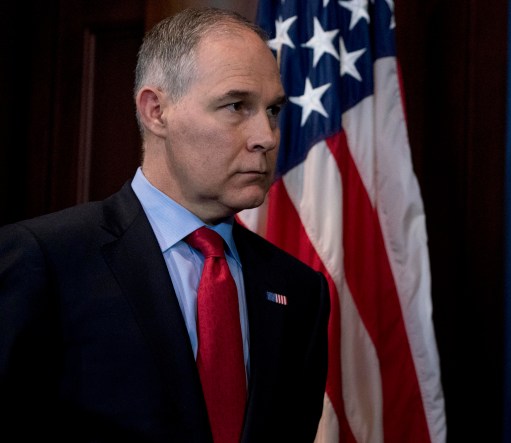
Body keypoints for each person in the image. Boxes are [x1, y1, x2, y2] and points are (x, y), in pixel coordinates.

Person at [0, 7, 329, 443]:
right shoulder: (45, 259)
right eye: (236, 106)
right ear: (156, 111)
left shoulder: (299, 289)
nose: (266, 137)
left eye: (272, 110)